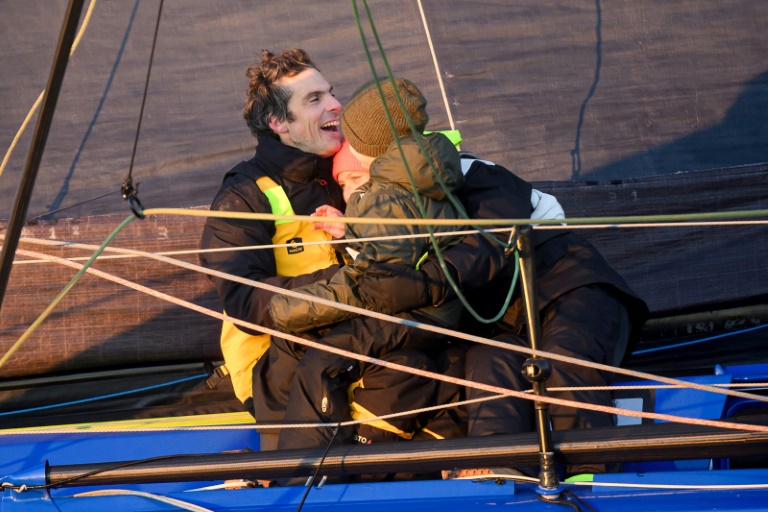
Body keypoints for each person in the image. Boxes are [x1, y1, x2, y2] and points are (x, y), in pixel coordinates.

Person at [356, 145, 650, 475]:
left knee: (564, 360)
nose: (358, 188)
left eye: (360, 175)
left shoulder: (468, 171)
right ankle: (497, 469)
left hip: (570, 287)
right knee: (488, 359)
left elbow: (489, 243)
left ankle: (592, 482)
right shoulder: (371, 238)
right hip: (507, 330)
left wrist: (428, 281)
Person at [268, 78, 468, 452]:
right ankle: (284, 454)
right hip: (428, 310)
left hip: (417, 314)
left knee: (320, 364)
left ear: (369, 149)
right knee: (305, 345)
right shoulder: (421, 177)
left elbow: (378, 285)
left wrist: (287, 305)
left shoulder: (385, 195)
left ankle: (301, 472)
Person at [199, 48, 346, 447]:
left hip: (351, 338)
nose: (336, 104)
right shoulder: (243, 193)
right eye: (314, 100)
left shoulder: (352, 171)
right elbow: (245, 301)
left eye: (330, 93)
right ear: (278, 122)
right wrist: (346, 291)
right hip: (273, 366)